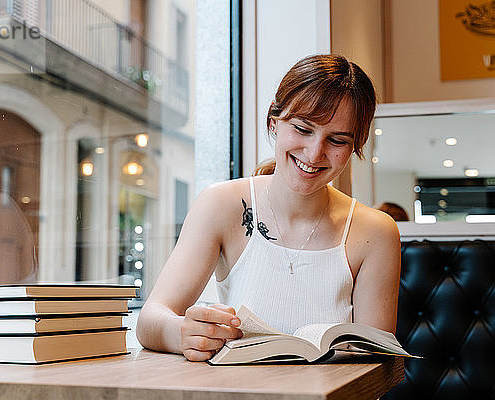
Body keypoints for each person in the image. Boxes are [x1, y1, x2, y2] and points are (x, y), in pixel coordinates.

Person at [136, 54, 401, 362]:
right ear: (274, 123)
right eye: (302, 129)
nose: (314, 153)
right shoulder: (221, 204)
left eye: (337, 141)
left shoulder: (376, 232)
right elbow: (149, 320)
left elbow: (377, 366)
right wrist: (184, 331)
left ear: (356, 145)